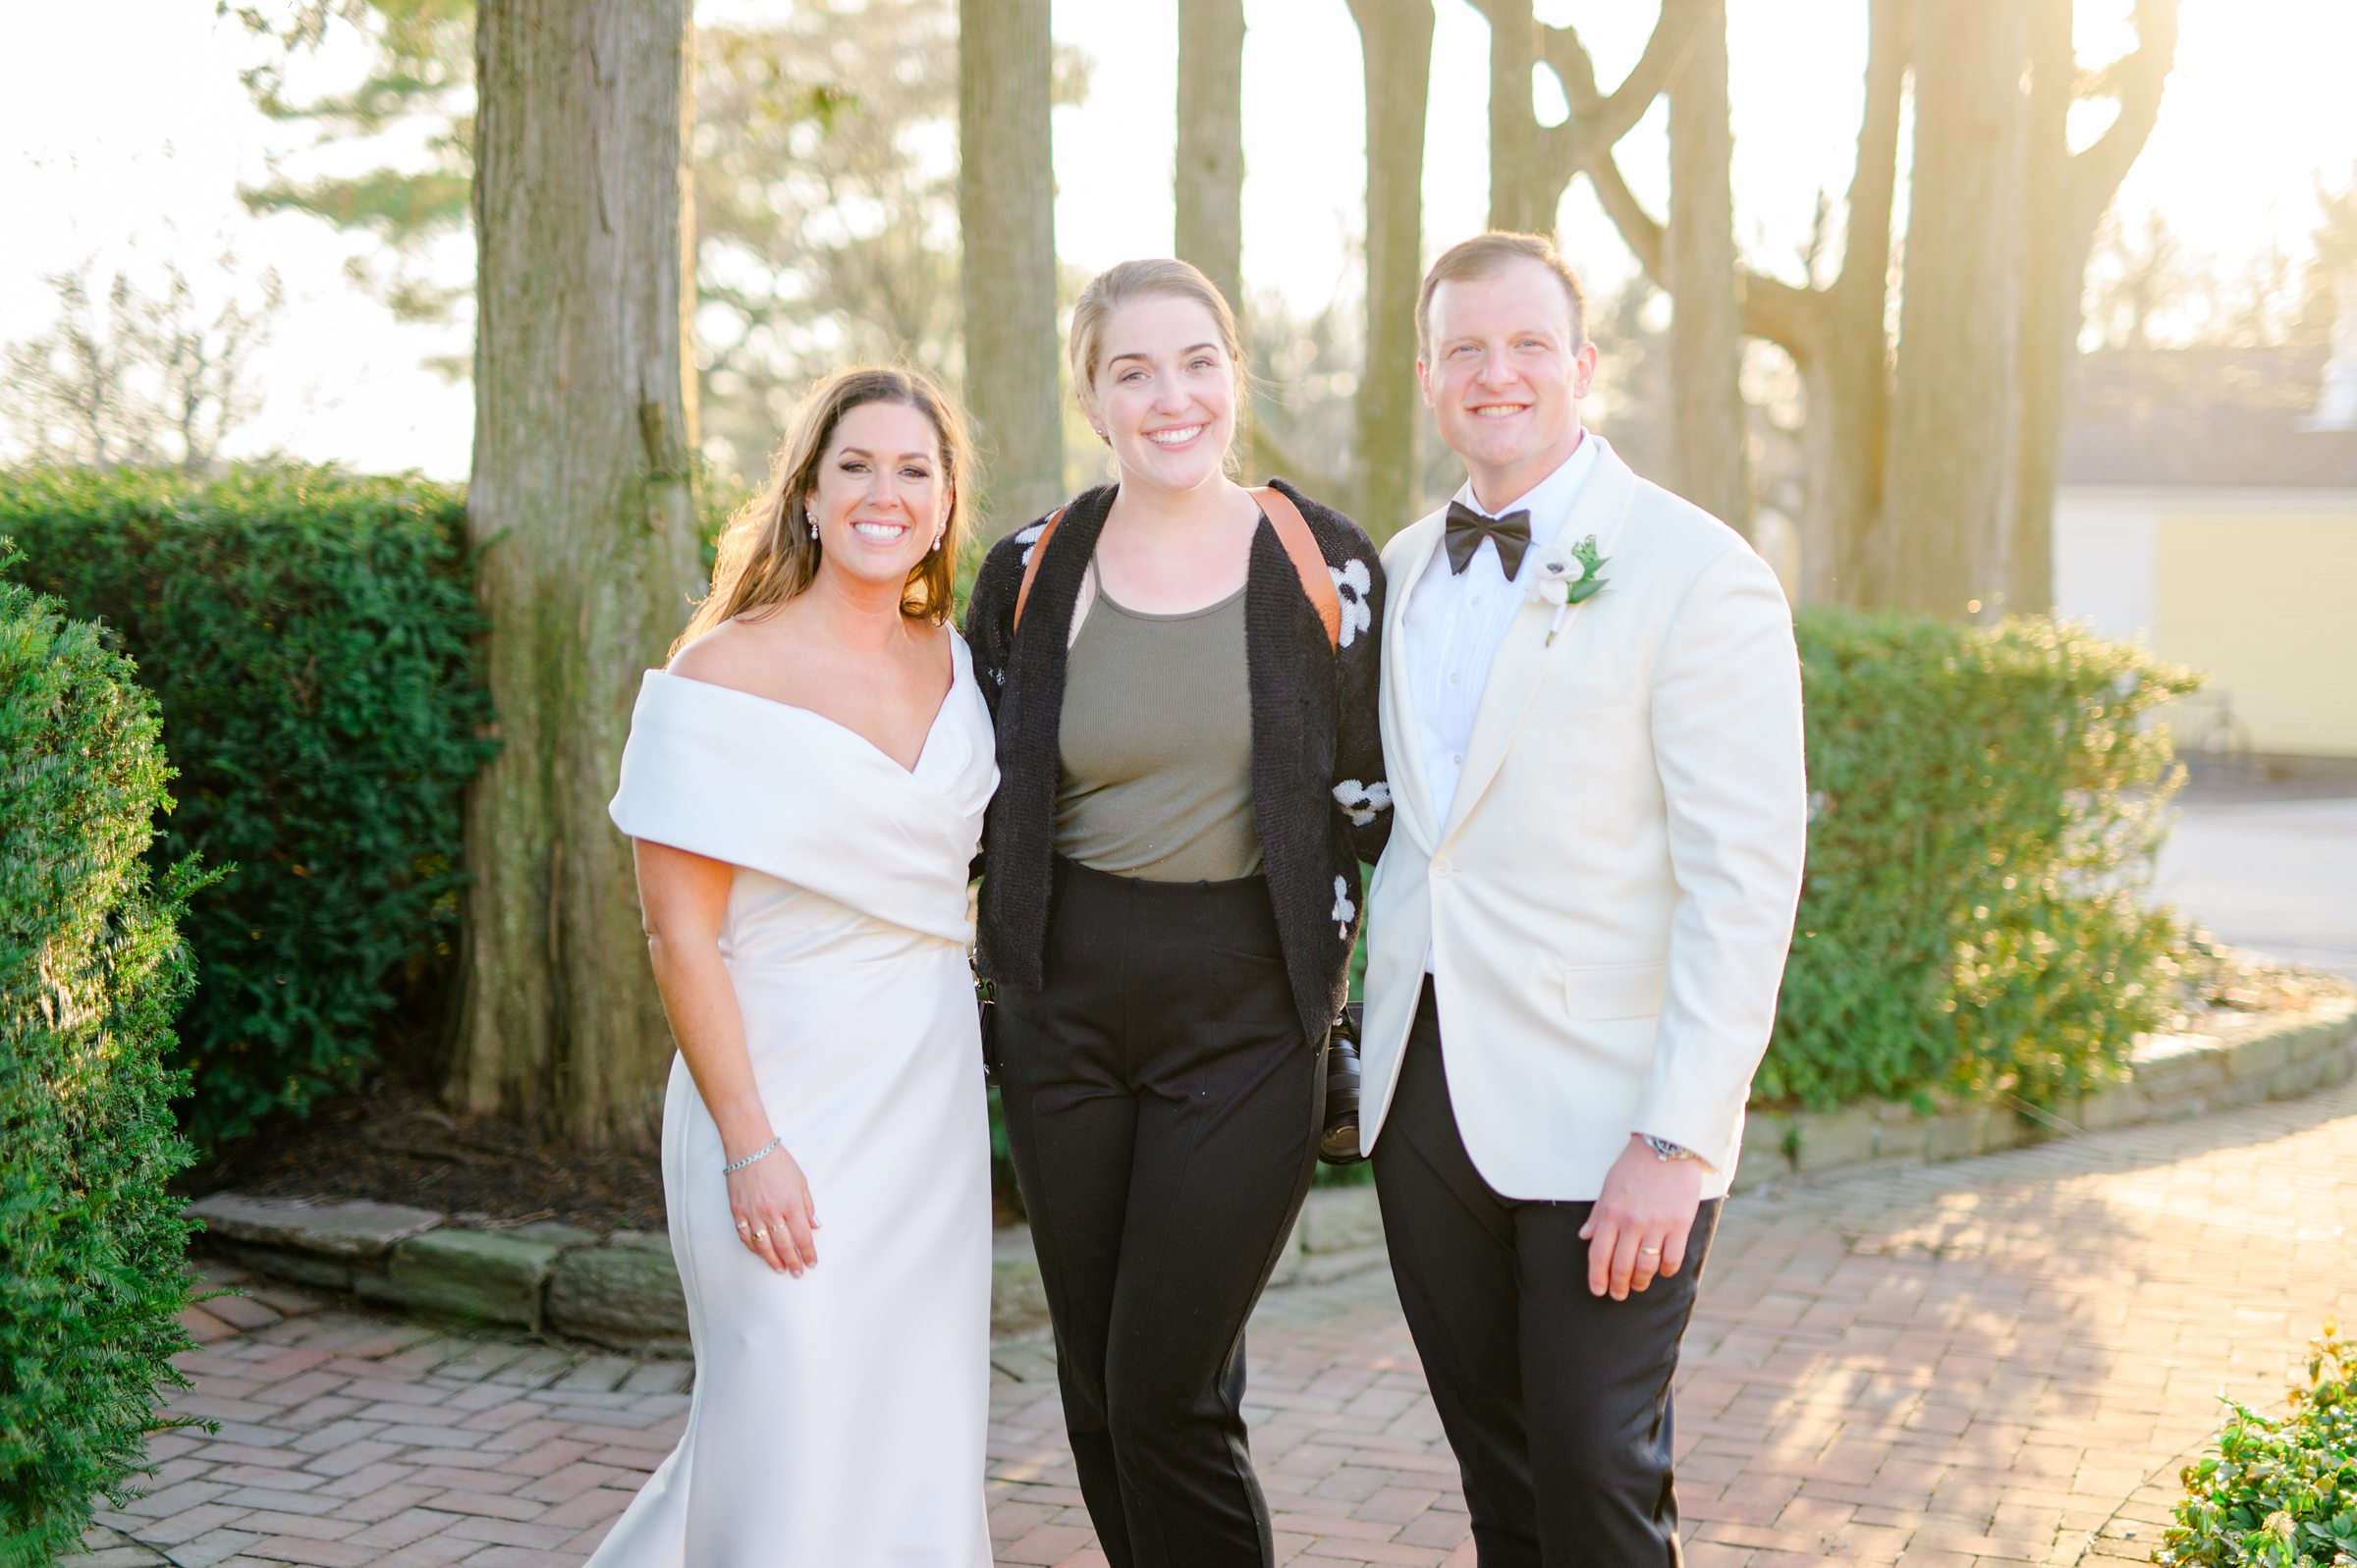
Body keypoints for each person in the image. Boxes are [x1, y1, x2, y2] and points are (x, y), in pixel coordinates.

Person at [1356, 232, 1807, 1565]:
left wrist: (1675, 1139)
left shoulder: (1694, 570)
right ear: (1430, 374)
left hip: (1610, 1107)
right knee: (1499, 1480)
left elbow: (1745, 876)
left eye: (1529, 344)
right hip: (1422, 1090)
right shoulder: (1402, 568)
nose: (1498, 373)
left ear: (1584, 366)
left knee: (1598, 1475)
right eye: (1466, 349)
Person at [962, 257, 1391, 1568]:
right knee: (1095, 1388)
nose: (1171, 395)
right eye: (1133, 370)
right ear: (1092, 395)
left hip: (1248, 1002)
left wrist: (1378, 1008)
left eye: (1197, 361)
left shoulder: (1325, 565)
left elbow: (1386, 804)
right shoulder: (1032, 570)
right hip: (1064, 1003)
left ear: (1234, 376)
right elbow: (964, 797)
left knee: (1169, 1388)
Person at [592, 365, 997, 1567]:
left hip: (923, 1094)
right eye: (857, 466)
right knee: (784, 1408)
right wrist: (750, 1142)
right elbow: (679, 934)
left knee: (908, 1419)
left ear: (942, 504)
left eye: (913, 470)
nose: (887, 491)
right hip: (777, 1095)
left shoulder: (960, 667)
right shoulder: (722, 674)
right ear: (809, 496)